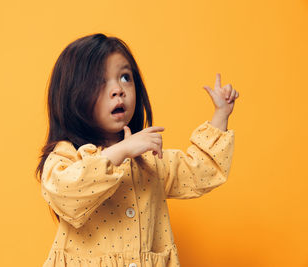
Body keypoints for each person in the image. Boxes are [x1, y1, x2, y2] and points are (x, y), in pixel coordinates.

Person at [35, 33, 239, 267]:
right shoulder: (66, 155)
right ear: (72, 96)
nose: (118, 90)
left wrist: (221, 115)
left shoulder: (149, 160)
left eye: (125, 77)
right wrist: (120, 152)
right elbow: (66, 192)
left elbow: (199, 172)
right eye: (99, 81)